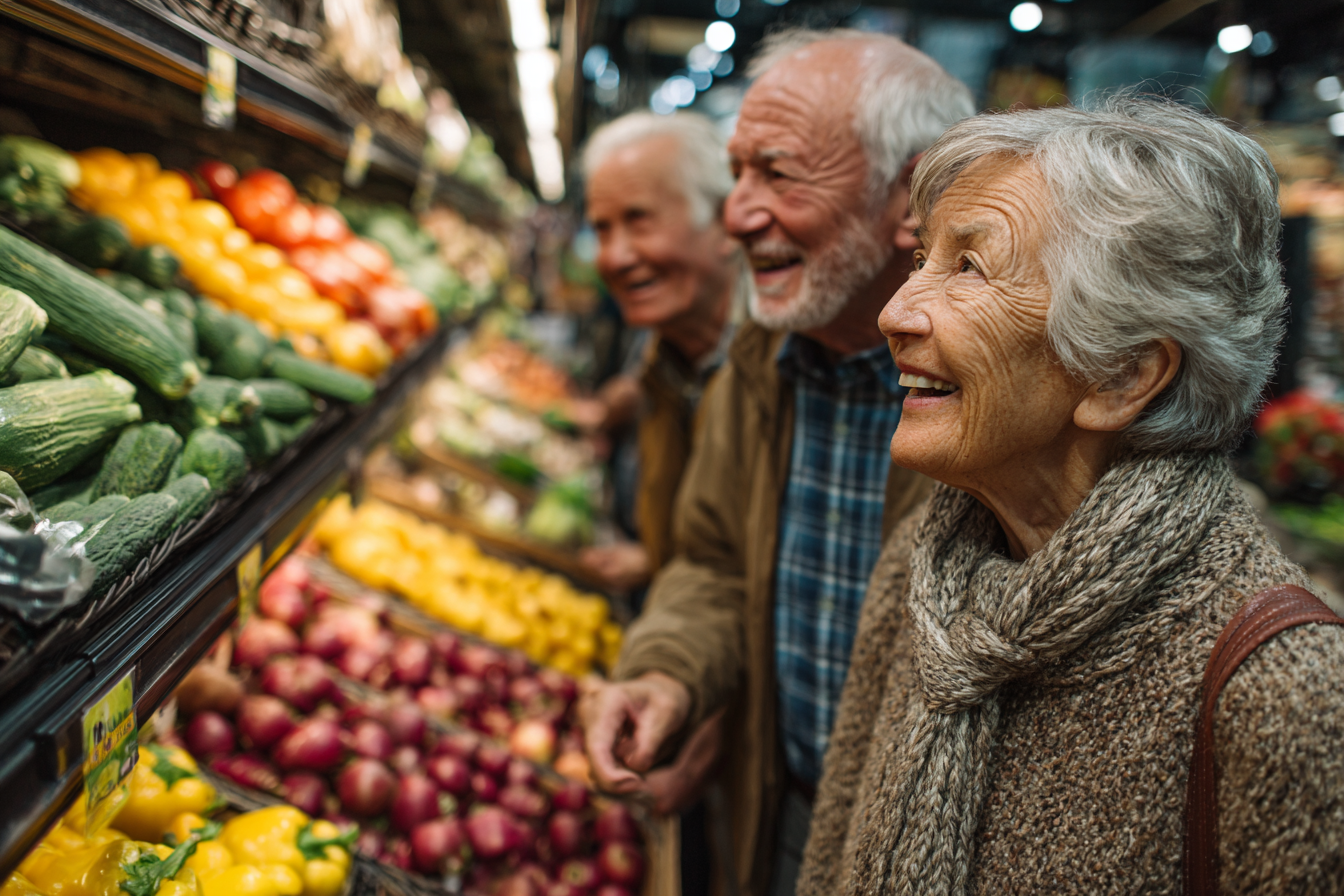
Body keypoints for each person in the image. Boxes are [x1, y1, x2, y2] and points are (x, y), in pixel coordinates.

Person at [796, 97, 1344, 895]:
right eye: (923, 260)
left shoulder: (1289, 696)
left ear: (1123, 374)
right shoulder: (931, 572)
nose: (894, 313)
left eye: (969, 269)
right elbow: (831, 860)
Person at [579, 28, 974, 896]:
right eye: (737, 174)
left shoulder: (999, 398)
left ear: (909, 196)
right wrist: (668, 672)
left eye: (779, 173)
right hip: (780, 814)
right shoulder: (764, 358)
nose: (737, 214)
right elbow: (716, 561)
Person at [577, 111, 748, 596]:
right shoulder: (658, 338)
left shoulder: (781, 366)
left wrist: (657, 565)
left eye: (639, 221)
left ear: (723, 223)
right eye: (602, 231)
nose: (614, 257)